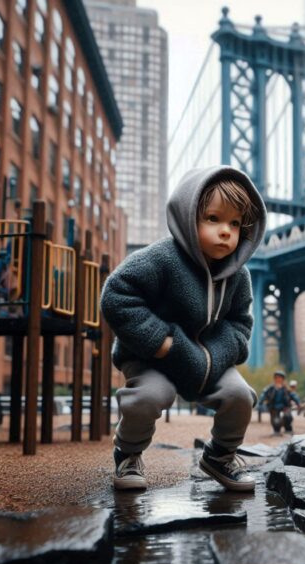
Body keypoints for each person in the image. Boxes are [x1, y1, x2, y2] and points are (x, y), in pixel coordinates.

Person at [100, 166, 266, 492]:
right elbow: (117, 294)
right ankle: (128, 453)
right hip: (152, 356)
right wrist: (163, 342)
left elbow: (240, 324)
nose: (225, 232)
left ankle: (219, 456)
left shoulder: (239, 276)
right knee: (149, 396)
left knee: (239, 396)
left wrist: (213, 356)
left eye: (235, 224)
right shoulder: (163, 257)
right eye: (213, 219)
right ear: (189, 217)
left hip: (207, 360)